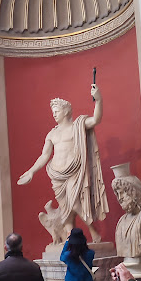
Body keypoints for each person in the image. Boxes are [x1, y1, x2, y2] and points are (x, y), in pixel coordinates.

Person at [17, 85, 109, 243]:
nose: (54, 114)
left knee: (75, 203)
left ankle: (93, 230)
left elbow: (96, 120)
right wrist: (32, 171)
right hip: (56, 174)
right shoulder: (52, 133)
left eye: (57, 111)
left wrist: (99, 100)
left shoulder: (77, 126)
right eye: (53, 112)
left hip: (74, 171)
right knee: (66, 209)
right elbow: (45, 155)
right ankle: (70, 239)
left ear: (66, 111)